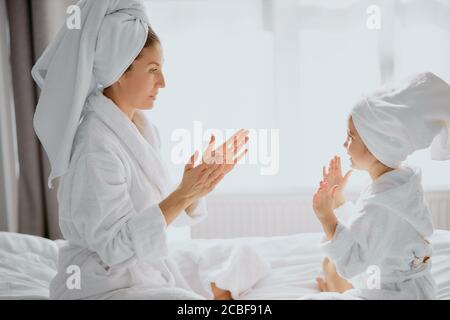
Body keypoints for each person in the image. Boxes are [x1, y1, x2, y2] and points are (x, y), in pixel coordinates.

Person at [31, 0, 269, 300]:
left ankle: (217, 291)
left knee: (246, 255)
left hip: (141, 267)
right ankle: (216, 294)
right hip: (105, 285)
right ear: (119, 71)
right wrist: (183, 193)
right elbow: (116, 247)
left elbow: (152, 215)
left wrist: (196, 188)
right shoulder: (95, 147)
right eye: (153, 70)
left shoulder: (139, 128)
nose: (163, 82)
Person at [312, 72, 450, 299]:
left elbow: (353, 262)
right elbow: (371, 232)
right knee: (329, 260)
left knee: (333, 267)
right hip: (410, 284)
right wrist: (338, 201)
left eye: (351, 136)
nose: (344, 144)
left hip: (391, 293)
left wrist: (327, 218)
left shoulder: (382, 204)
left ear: (377, 145)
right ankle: (332, 284)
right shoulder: (399, 181)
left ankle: (331, 288)